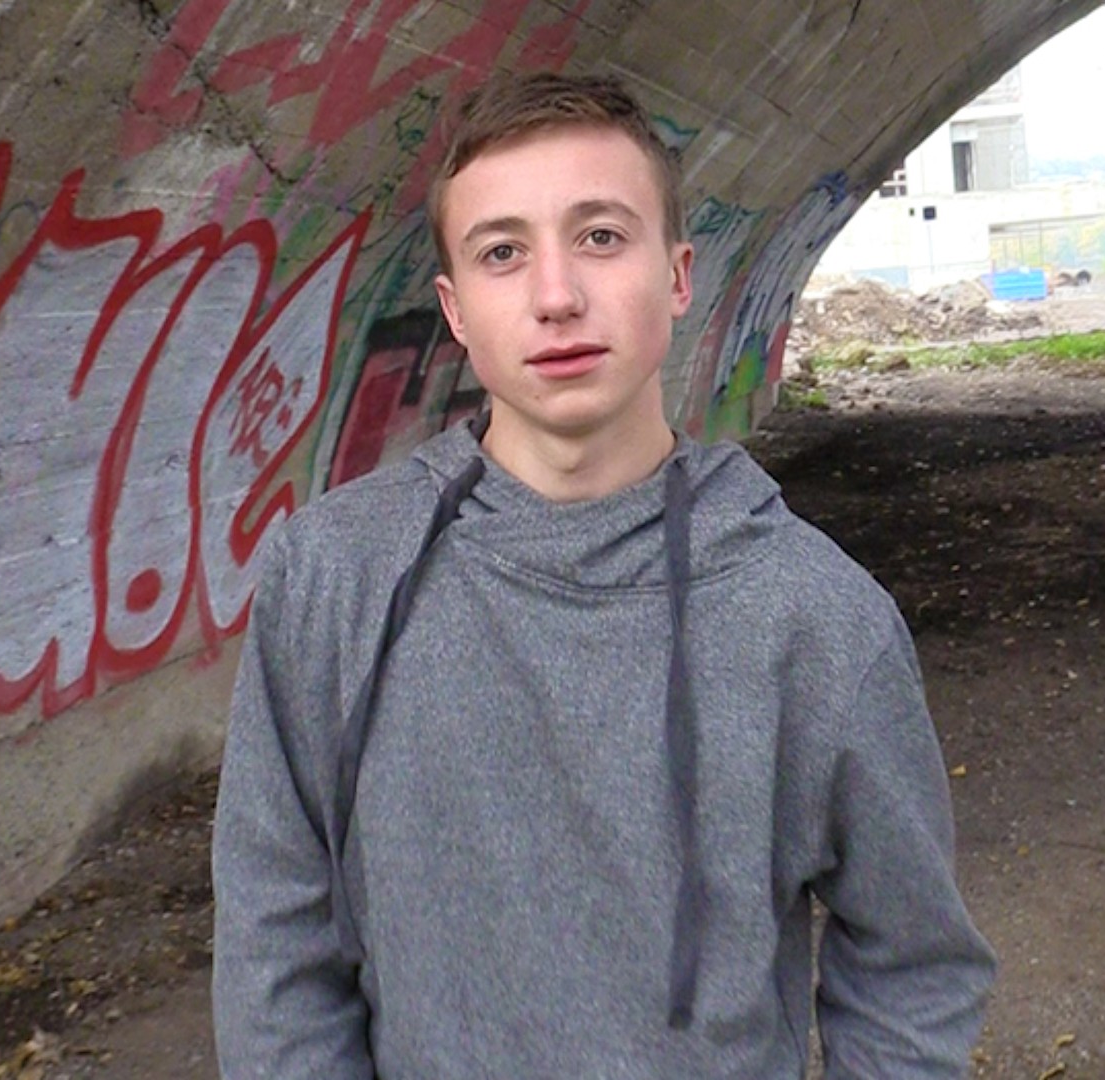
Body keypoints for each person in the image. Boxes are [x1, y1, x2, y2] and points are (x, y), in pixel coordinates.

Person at [212, 71, 995, 1078]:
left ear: (678, 276)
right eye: (502, 253)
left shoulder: (814, 617)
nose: (556, 297)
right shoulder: (331, 578)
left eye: (600, 236)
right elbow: (276, 939)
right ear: (455, 309)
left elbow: (913, 967)